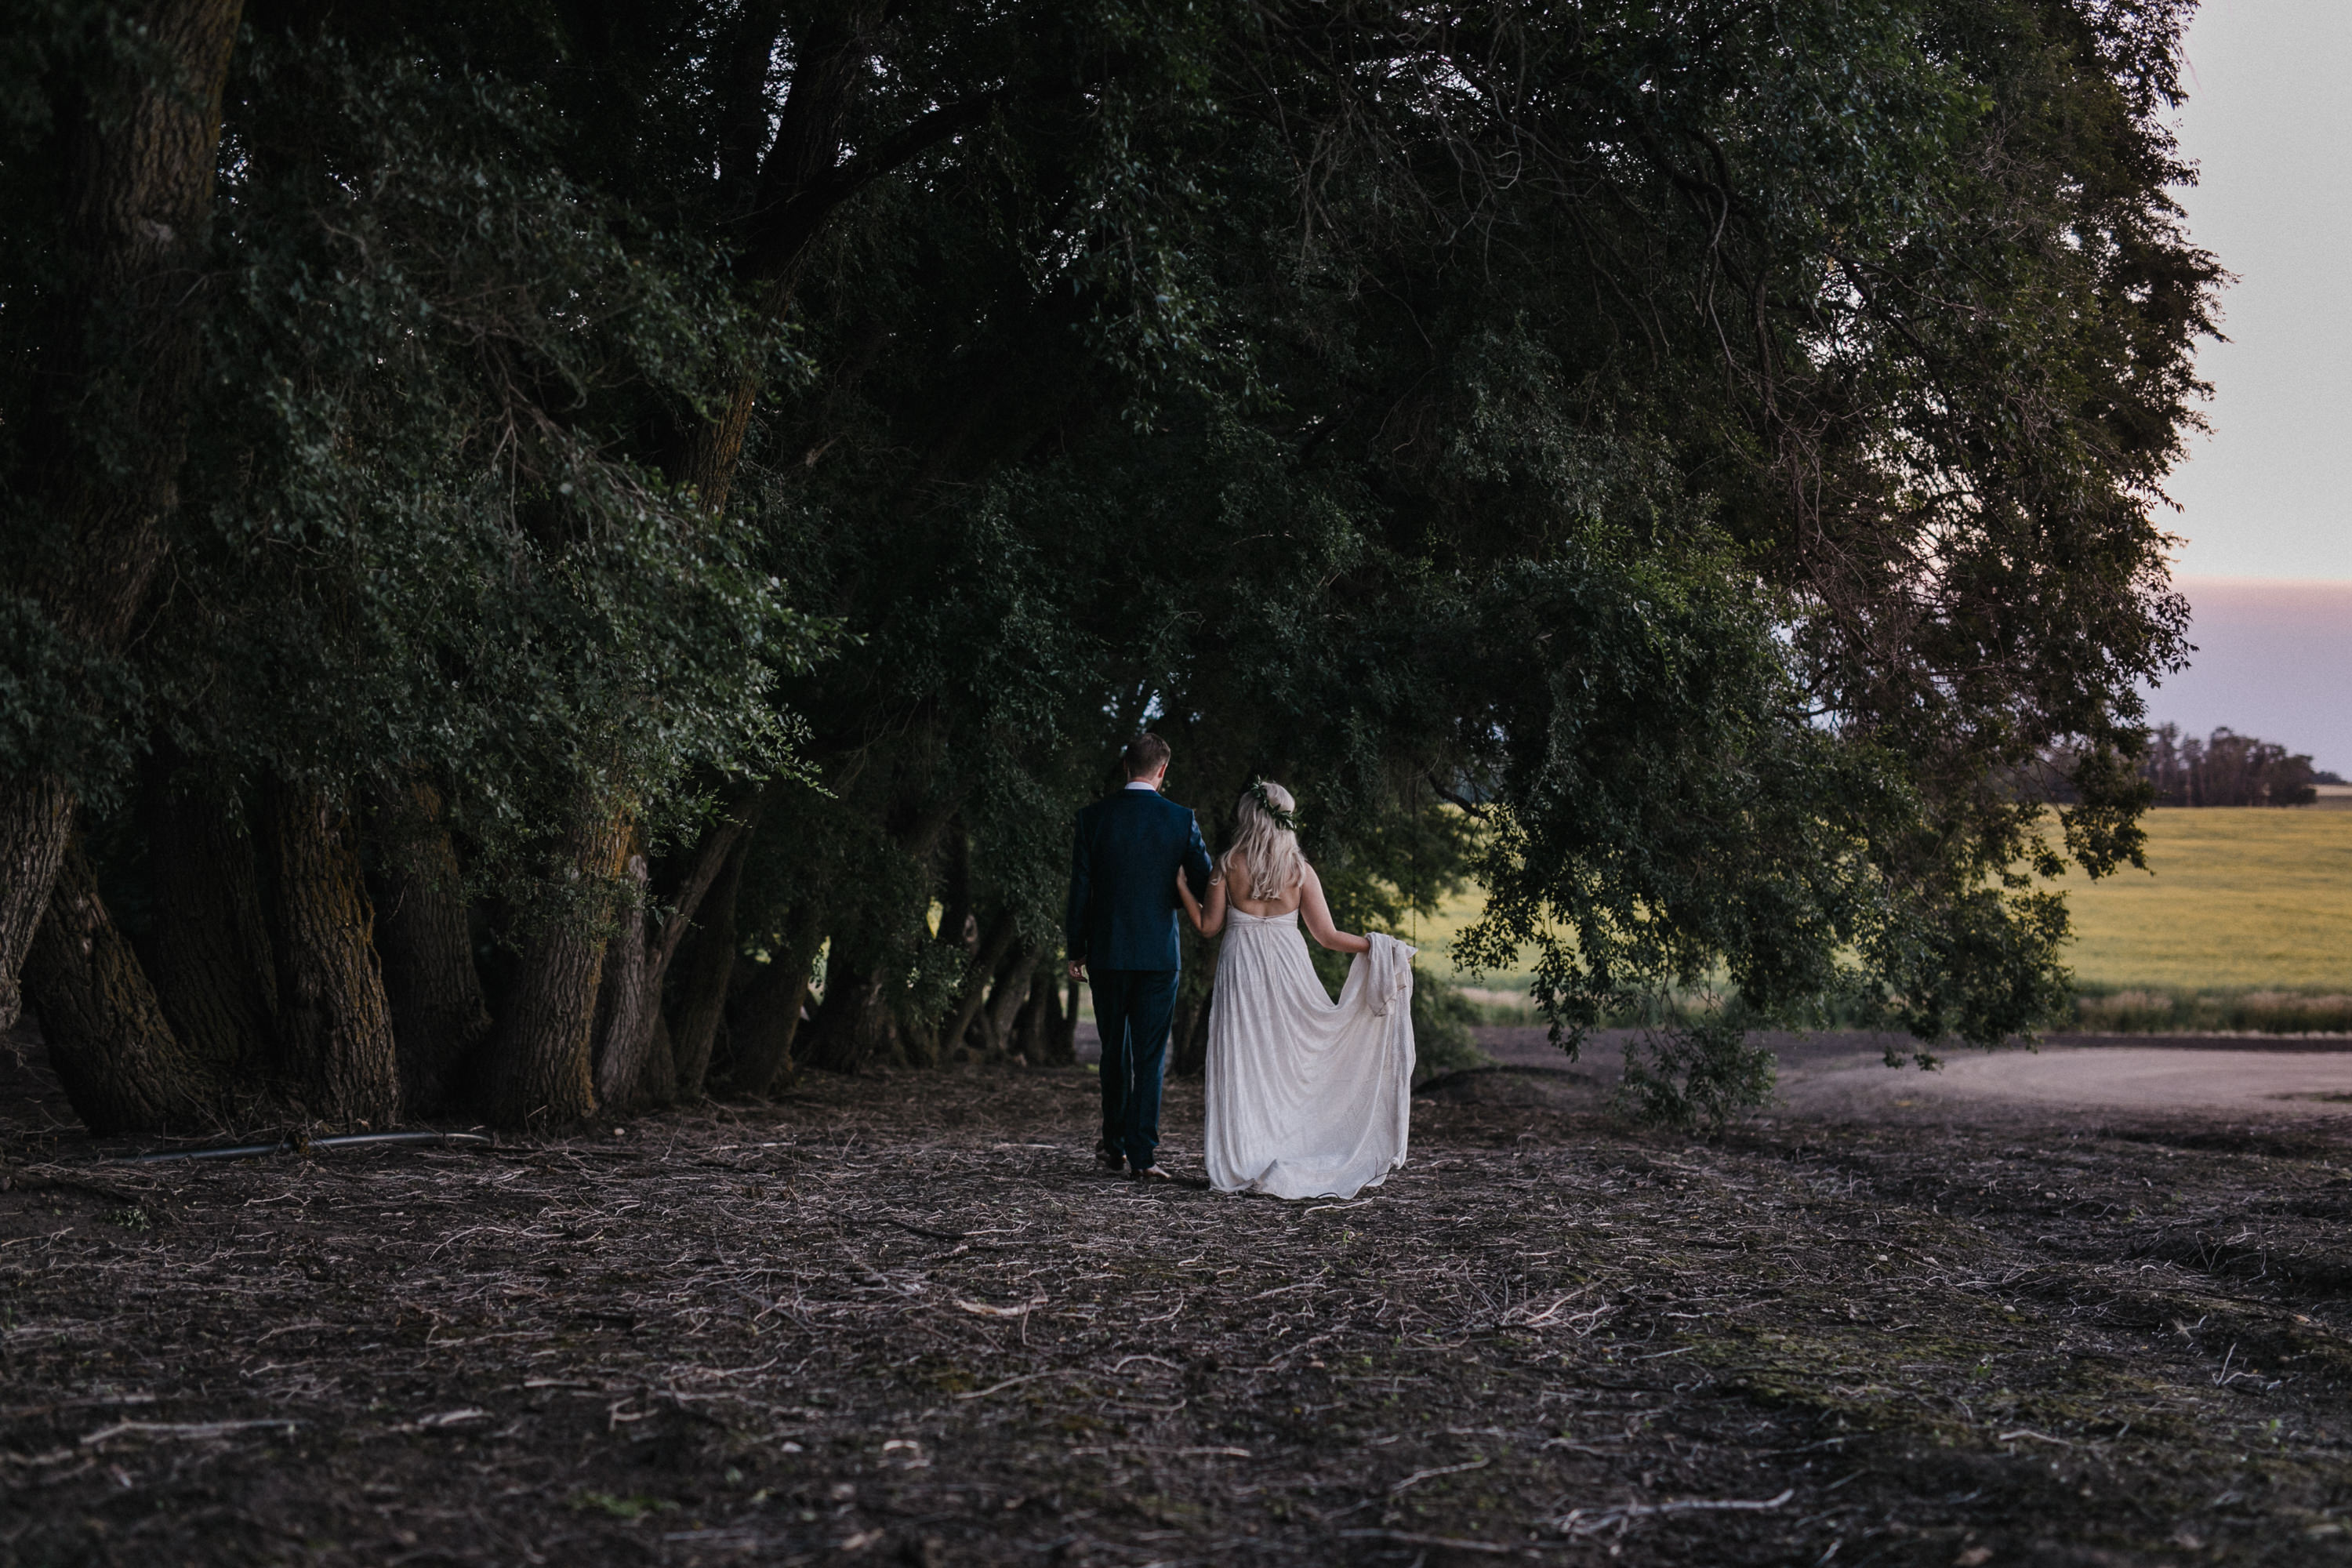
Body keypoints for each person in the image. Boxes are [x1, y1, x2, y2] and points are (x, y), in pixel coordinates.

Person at [1174, 779, 1416, 1200]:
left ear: (1247, 818)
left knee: (1246, 1063)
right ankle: (1285, 1147)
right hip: (1288, 969)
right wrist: (1381, 948)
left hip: (1242, 971)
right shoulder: (1299, 871)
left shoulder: (1228, 865)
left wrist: (1181, 885)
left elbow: (1208, 927)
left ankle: (1244, 1157)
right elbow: (1327, 937)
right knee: (1286, 1062)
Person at [1063, 732, 1214, 1180]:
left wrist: (1076, 947)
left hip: (1106, 952)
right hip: (1158, 954)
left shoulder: (1093, 818)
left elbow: (1080, 890)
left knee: (1114, 1052)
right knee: (1149, 1056)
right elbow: (1206, 883)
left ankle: (1113, 1149)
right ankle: (1143, 1157)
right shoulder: (1180, 819)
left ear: (1126, 766)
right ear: (1162, 770)